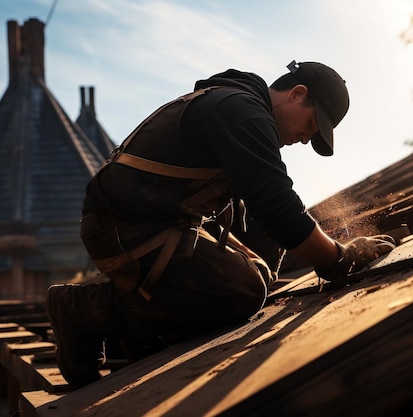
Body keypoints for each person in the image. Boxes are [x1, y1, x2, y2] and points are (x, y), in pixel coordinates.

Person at [46, 60, 395, 388]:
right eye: (310, 126)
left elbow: (266, 216)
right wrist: (338, 257)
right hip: (122, 230)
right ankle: (83, 310)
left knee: (258, 266)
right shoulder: (242, 112)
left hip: (152, 225)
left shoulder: (237, 108)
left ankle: (154, 328)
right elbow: (280, 209)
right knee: (243, 290)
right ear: (297, 93)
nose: (305, 138)